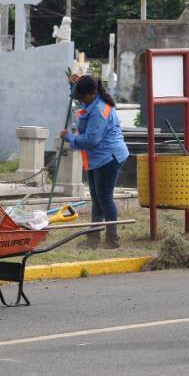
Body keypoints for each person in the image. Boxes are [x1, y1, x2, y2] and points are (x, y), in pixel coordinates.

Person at [59, 75, 129, 249]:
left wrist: (70, 138)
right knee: (97, 198)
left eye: (82, 96)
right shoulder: (90, 100)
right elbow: (78, 98)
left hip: (109, 156)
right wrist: (72, 86)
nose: (80, 100)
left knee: (104, 197)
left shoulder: (99, 110)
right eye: (79, 96)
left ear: (92, 93)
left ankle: (112, 239)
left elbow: (91, 140)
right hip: (96, 157)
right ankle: (93, 239)